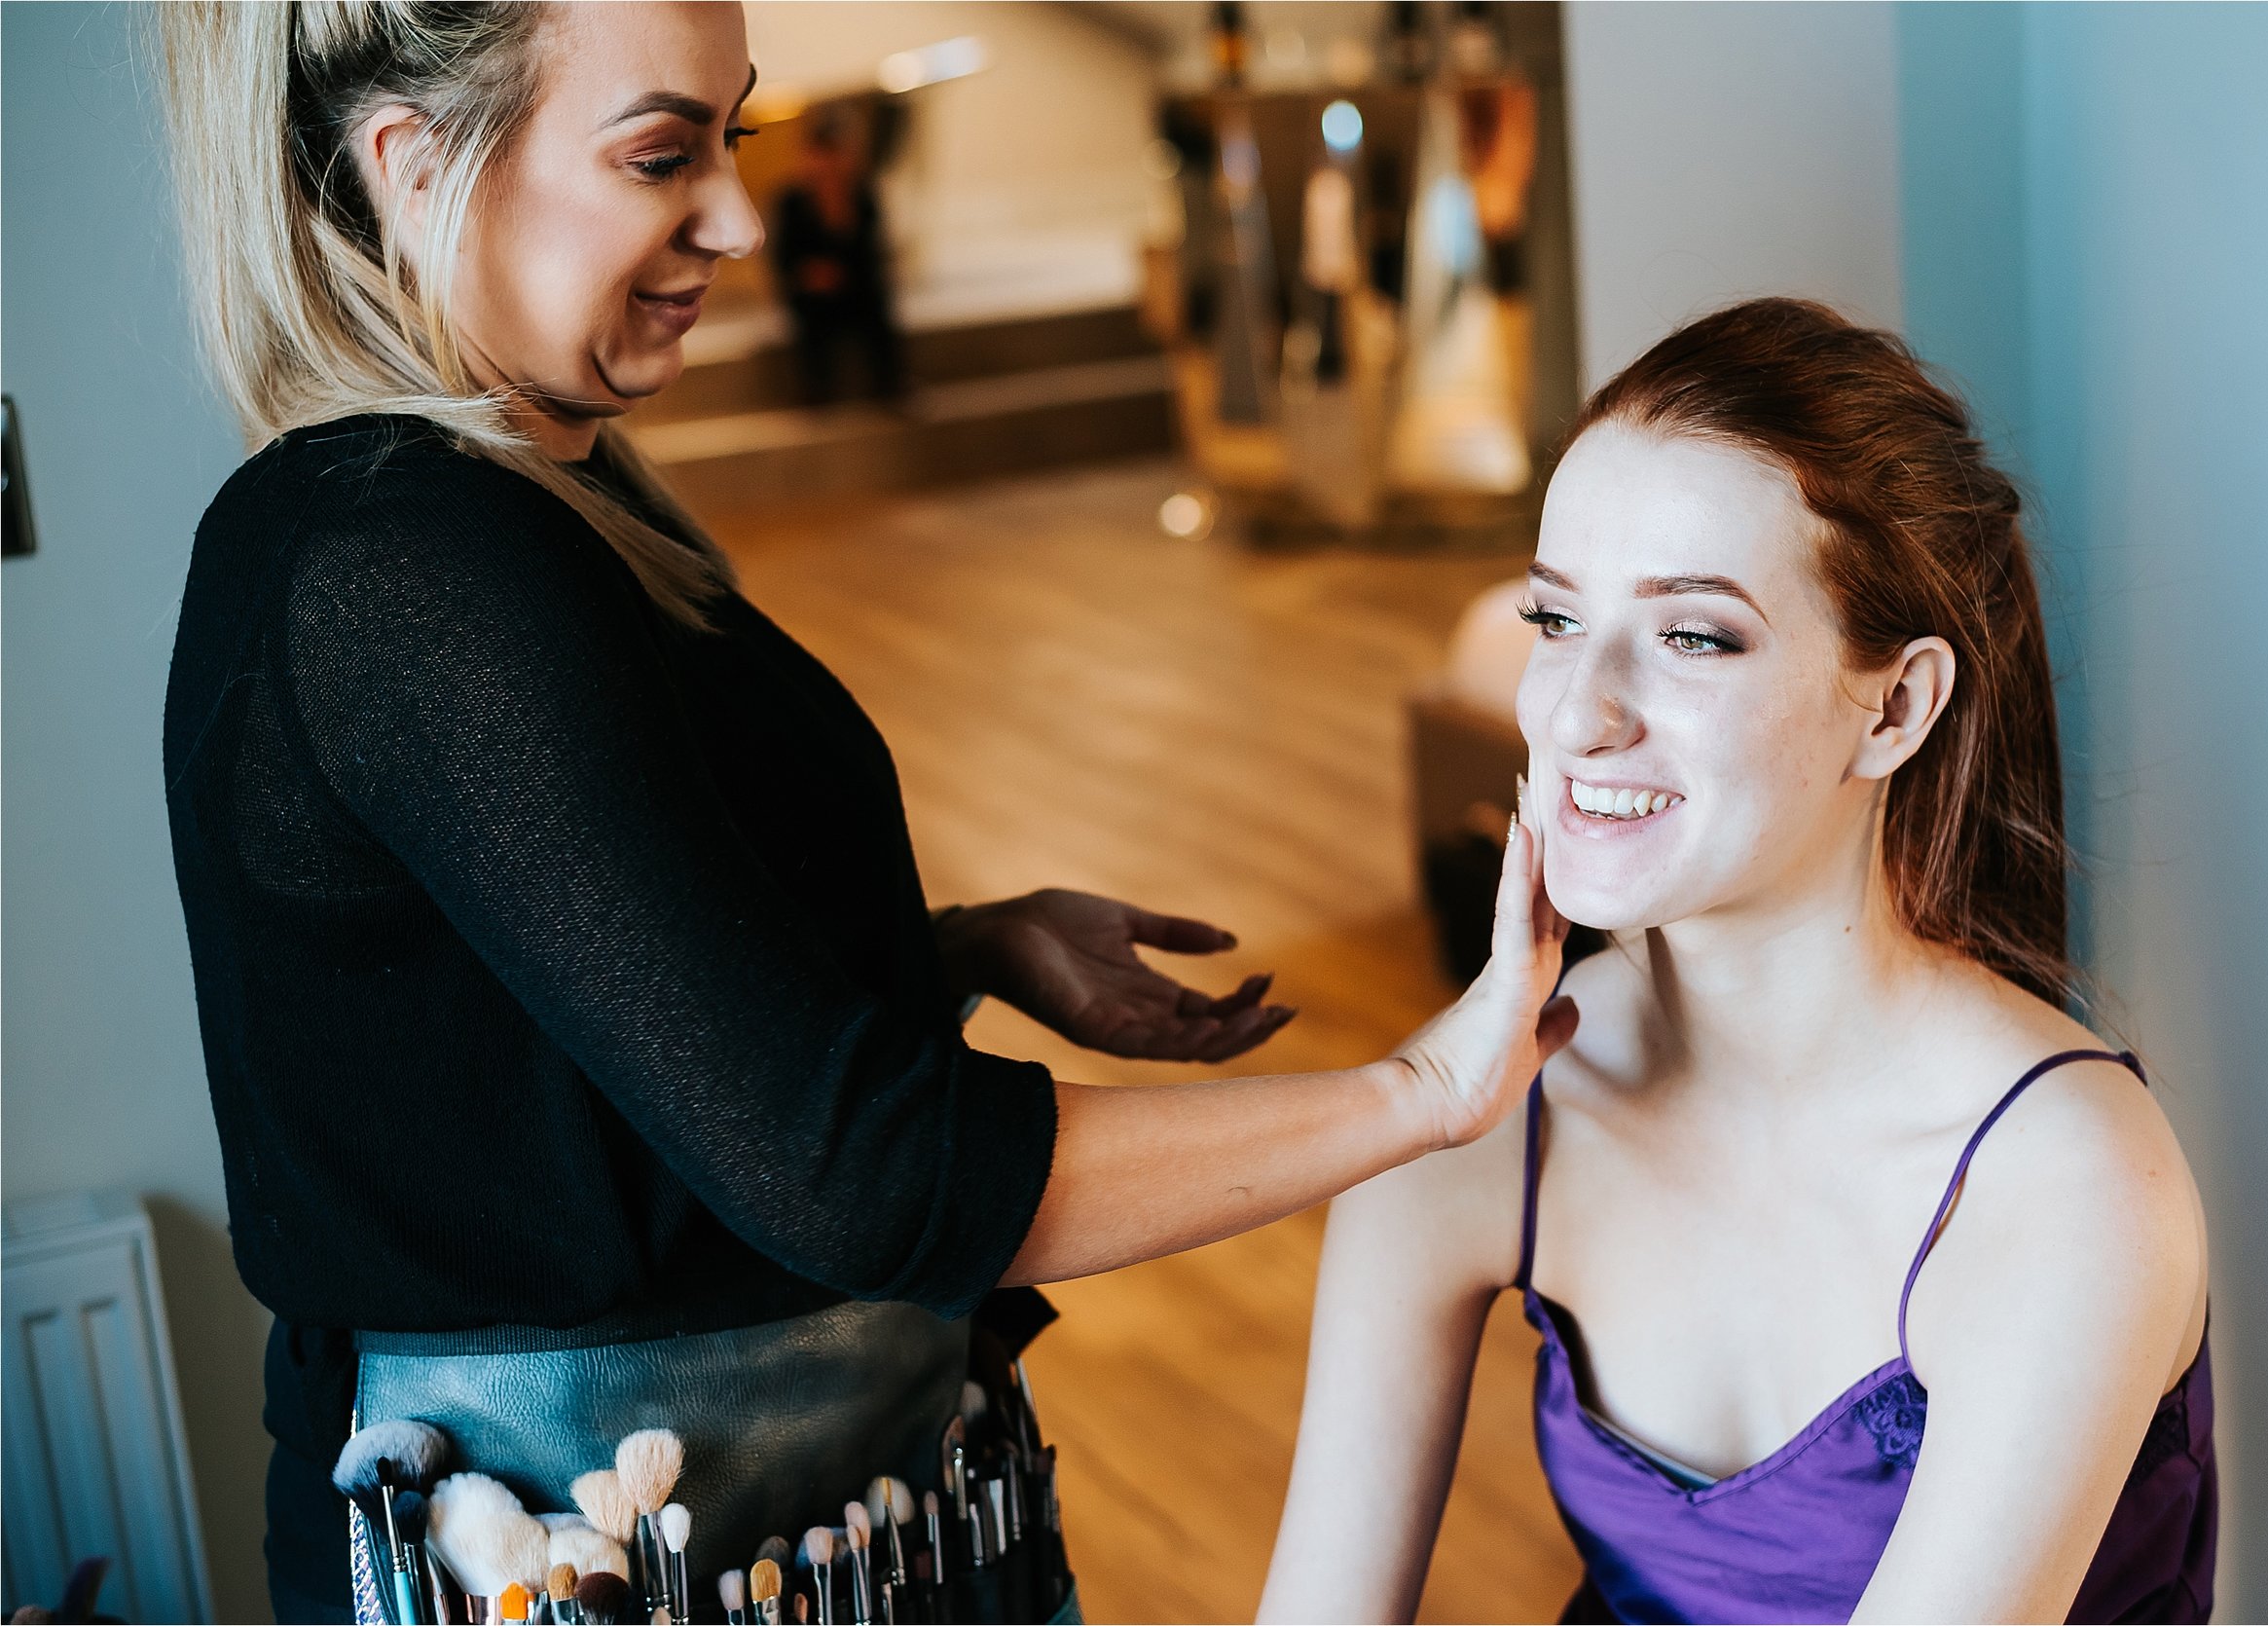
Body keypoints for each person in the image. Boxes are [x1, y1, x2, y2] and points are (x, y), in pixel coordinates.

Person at [152, 5, 1574, 1619]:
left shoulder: (518, 501)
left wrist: (950, 947)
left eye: (730, 142)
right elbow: (864, 1180)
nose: (741, 219)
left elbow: (543, 1000)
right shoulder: (408, 569)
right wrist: (1419, 1093)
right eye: (659, 154)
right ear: (415, 171)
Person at [1262, 300, 2214, 1624]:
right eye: (1553, 618)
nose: (1580, 710)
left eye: (1692, 634)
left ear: (1895, 706)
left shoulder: (2068, 1183)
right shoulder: (1477, 1108)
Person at [773, 101, 902, 405]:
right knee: (811, 314)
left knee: (877, 305)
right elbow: (783, 257)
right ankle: (817, 390)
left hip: (855, 286)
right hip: (810, 290)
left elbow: (872, 253)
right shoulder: (791, 200)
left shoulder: (863, 196)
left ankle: (889, 384)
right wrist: (809, 274)